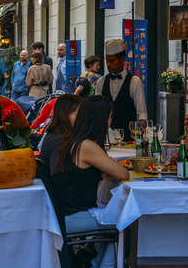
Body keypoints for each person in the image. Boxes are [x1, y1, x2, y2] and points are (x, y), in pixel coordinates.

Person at [51, 95, 129, 268]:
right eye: (110, 117)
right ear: (102, 119)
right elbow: (123, 173)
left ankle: (97, 263)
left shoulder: (76, 141)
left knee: (115, 217)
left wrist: (102, 173)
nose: (110, 121)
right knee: (123, 219)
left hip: (63, 214)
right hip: (72, 217)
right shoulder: (87, 146)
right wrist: (108, 172)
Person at [93, 39, 147, 133]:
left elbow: (141, 114)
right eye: (107, 61)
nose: (108, 64)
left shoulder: (135, 82)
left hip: (128, 137)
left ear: (122, 60)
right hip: (106, 138)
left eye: (112, 61)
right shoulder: (101, 82)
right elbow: (97, 111)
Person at [38, 94, 83, 176]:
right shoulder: (58, 141)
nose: (82, 119)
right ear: (65, 115)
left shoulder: (58, 135)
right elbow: (59, 178)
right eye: (79, 115)